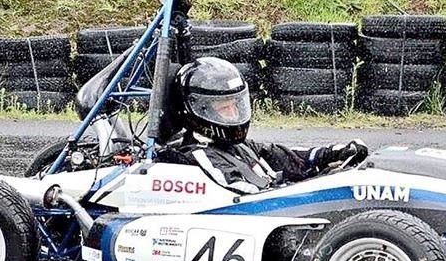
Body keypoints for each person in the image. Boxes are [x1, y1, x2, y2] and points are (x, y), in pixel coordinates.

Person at [157, 57, 368, 194]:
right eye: (224, 109)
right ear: (199, 111)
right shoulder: (197, 155)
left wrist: (333, 153)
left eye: (235, 106)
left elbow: (291, 158)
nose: (234, 115)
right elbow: (241, 192)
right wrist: (304, 186)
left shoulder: (241, 147)